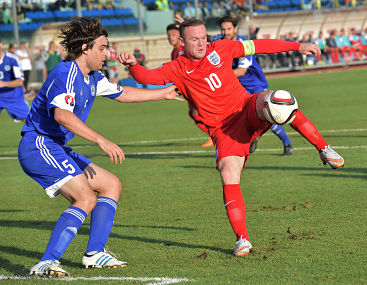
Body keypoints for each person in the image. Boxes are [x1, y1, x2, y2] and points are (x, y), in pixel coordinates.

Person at [118, 18, 344, 257]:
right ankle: (243, 239)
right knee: (228, 173)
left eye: (204, 37)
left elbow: (259, 45)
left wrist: (297, 47)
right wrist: (133, 65)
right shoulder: (177, 68)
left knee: (277, 99)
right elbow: (146, 77)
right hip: (225, 131)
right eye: (195, 39)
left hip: (246, 108)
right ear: (182, 42)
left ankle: (323, 148)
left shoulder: (222, 48)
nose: (202, 43)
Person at [18, 17, 182, 278]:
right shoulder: (66, 74)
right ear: (85, 48)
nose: (108, 54)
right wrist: (100, 140)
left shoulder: (92, 77)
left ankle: (95, 253)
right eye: (103, 48)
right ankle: (46, 262)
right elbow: (62, 115)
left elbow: (123, 93)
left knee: (111, 185)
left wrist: (161, 93)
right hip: (39, 145)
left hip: (55, 146)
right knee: (85, 198)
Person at [212, 16, 293, 155]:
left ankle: (287, 143)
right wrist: (189, 28)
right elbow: (206, 38)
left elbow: (242, 71)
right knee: (239, 117)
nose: (225, 32)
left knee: (267, 115)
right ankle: (249, 140)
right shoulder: (219, 39)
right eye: (223, 29)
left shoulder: (244, 44)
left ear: (235, 29)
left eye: (229, 29)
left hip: (256, 85)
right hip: (238, 87)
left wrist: (219, 76)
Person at [168, 20, 213, 148]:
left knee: (200, 112)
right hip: (188, 87)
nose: (171, 37)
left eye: (173, 35)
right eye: (169, 35)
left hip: (197, 86)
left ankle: (215, 134)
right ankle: (213, 134)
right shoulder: (174, 52)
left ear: (180, 38)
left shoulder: (185, 49)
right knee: (193, 113)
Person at [0, 39, 30, 122]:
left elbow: (20, 81)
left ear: (0, 44)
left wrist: (4, 84)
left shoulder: (12, 59)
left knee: (30, 122)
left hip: (13, 96)